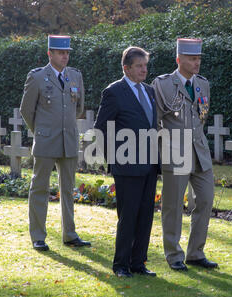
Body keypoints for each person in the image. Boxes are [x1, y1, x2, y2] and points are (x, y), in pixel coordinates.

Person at [20, 35, 91, 251]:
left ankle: (70, 234)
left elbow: (78, 108)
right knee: (39, 188)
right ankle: (38, 236)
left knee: (68, 189)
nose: (65, 56)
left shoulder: (75, 76)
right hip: (45, 141)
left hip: (68, 140)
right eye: (61, 53)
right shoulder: (38, 77)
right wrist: (40, 132)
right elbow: (26, 110)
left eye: (67, 53)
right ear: (49, 54)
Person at [152, 38, 218, 270]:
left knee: (206, 199)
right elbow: (155, 120)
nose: (197, 62)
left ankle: (196, 253)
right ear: (179, 60)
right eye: (192, 58)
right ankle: (174, 255)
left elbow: (201, 117)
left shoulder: (202, 84)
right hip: (175, 152)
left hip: (199, 152)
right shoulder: (162, 84)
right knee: (172, 205)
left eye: (198, 58)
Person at [94, 46, 160, 277]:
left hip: (150, 165)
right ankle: (121, 265)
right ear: (126, 68)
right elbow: (101, 128)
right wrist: (114, 160)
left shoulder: (150, 91)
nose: (144, 70)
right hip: (127, 166)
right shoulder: (114, 92)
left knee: (145, 216)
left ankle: (138, 263)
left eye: (145, 65)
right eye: (139, 66)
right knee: (128, 216)